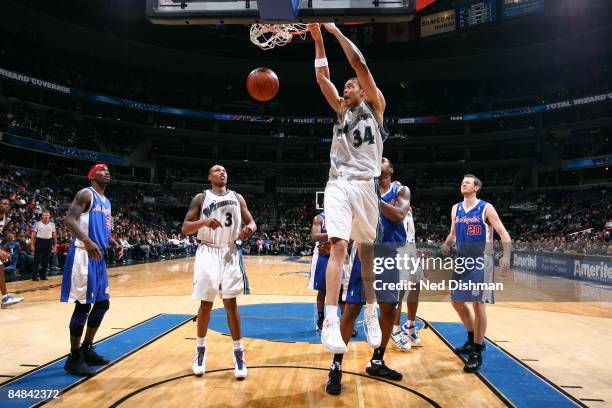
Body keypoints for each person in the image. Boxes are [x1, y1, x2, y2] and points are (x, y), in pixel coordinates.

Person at [308, 23, 387, 359]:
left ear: (363, 93)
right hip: (339, 183)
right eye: (344, 89)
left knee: (366, 251)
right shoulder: (340, 111)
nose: (344, 91)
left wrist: (335, 30)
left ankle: (371, 311)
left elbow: (360, 65)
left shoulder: (376, 108)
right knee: (338, 245)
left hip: (366, 187)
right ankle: (329, 318)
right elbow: (322, 79)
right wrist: (317, 40)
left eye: (350, 88)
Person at [325, 158, 407, 395]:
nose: (378, 162)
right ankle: (336, 366)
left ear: (390, 169)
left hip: (390, 254)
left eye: (383, 160)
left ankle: (377, 361)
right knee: (351, 308)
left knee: (390, 309)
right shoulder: (360, 189)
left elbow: (399, 215)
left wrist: (371, 198)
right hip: (366, 251)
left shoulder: (400, 190)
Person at [181, 164, 256, 380]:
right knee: (206, 303)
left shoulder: (237, 197)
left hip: (230, 251)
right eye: (216, 170)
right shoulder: (201, 197)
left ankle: (239, 353)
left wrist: (249, 229)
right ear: (209, 176)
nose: (222, 172)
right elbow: (185, 228)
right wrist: (204, 222)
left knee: (231, 303)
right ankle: (200, 351)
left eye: (224, 170)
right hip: (207, 251)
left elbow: (252, 222)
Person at [441, 174, 511, 372]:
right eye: (462, 181)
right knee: (456, 301)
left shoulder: (486, 208)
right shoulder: (456, 208)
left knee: (478, 304)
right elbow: (453, 234)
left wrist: (506, 256)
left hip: (481, 260)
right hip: (462, 260)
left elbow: (504, 234)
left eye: (468, 182)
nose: (463, 183)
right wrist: (446, 245)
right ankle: (472, 339)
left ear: (477, 187)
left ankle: (477, 351)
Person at [60, 163, 124, 376]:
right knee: (83, 307)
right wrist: (86, 240)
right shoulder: (86, 194)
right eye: (101, 169)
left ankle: (87, 348)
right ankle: (74, 356)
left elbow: (102, 229)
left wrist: (113, 242)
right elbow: (68, 219)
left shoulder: (106, 202)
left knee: (102, 304)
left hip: (98, 256)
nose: (107, 172)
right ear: (91, 176)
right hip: (82, 255)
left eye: (108, 170)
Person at [308, 212, 331, 331]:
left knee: (342, 290)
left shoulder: (343, 214)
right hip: (323, 256)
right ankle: (321, 319)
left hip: (339, 253)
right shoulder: (319, 218)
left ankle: (341, 320)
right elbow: (315, 236)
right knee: (322, 291)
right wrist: (335, 235)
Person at [31, 211, 57, 281]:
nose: (46, 216)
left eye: (47, 215)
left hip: (48, 242)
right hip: (39, 241)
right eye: (44, 215)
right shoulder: (37, 224)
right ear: (42, 216)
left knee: (46, 259)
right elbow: (33, 235)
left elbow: (54, 235)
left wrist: (55, 245)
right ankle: (34, 276)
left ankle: (43, 275)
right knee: (37, 259)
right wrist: (32, 245)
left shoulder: (52, 224)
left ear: (49, 216)